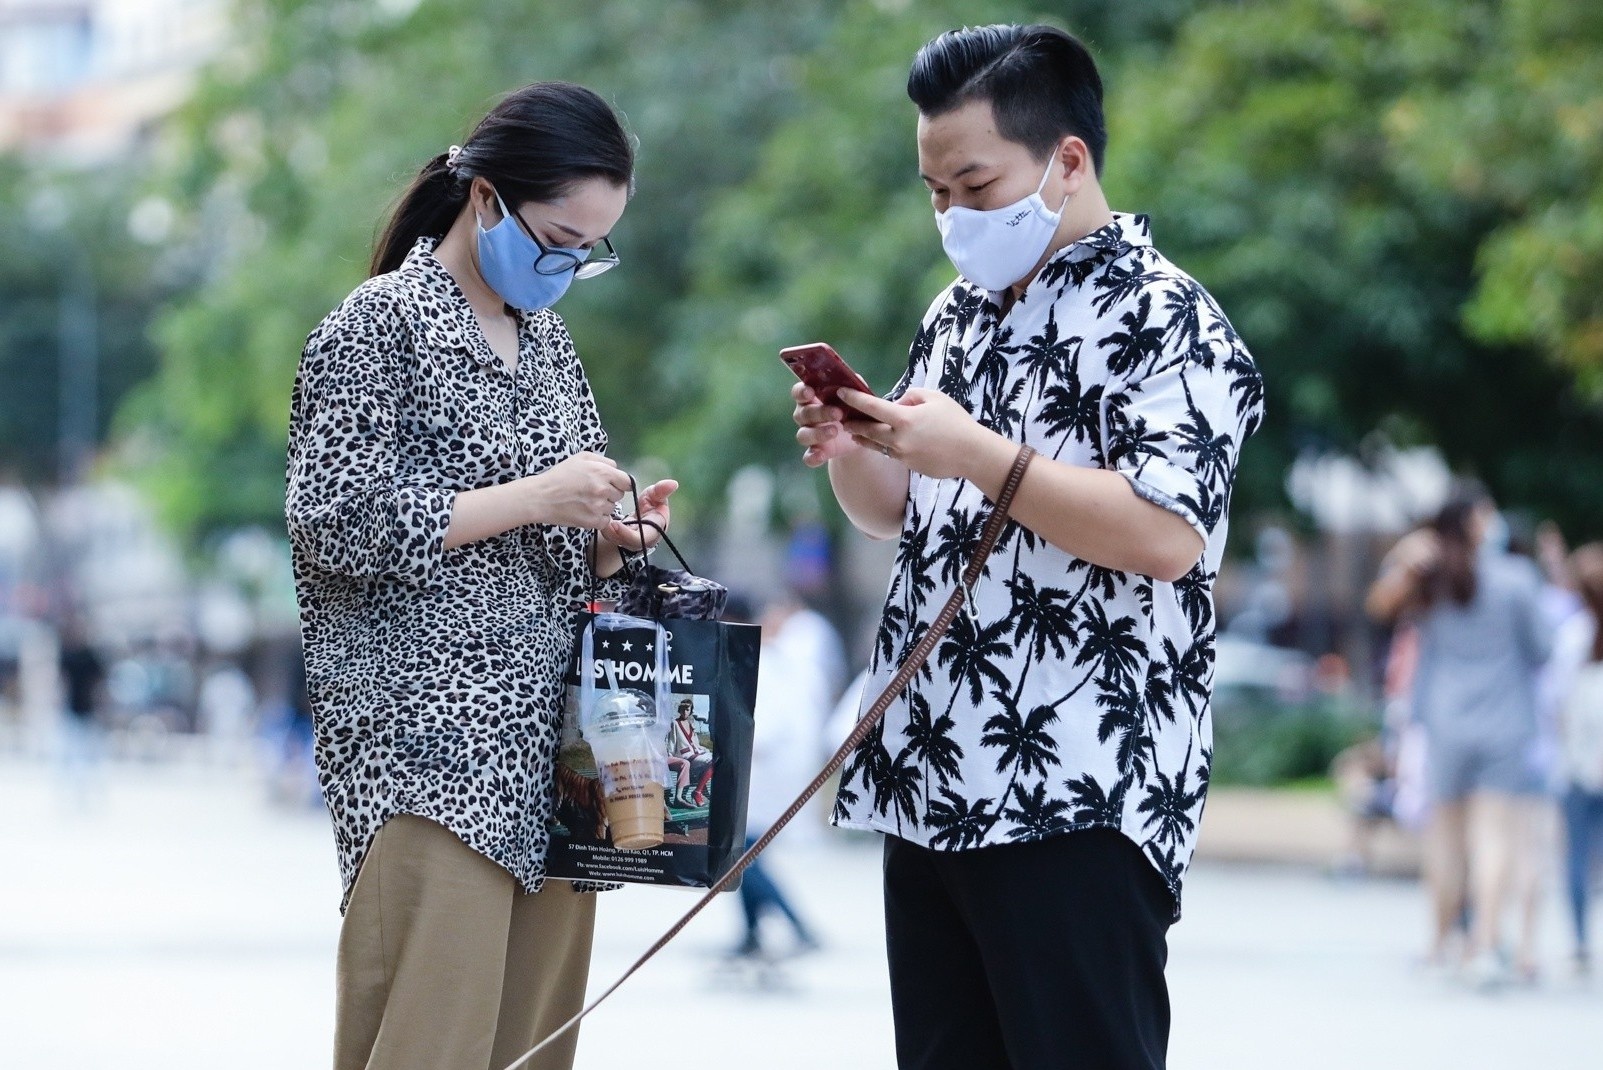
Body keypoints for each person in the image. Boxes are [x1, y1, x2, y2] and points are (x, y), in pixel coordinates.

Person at [790, 25, 1262, 1069]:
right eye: (933, 191)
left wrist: (975, 451)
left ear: (1067, 160)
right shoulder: (954, 315)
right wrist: (850, 446)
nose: (950, 213)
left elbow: (1163, 533)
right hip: (933, 768)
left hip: (1077, 782)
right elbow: (901, 515)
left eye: (971, 181)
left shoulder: (1170, 317)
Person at [286, 82, 677, 1070]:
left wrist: (609, 537)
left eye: (590, 248)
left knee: (532, 1049)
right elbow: (335, 522)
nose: (569, 264)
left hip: (557, 764)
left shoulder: (549, 342)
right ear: (486, 199)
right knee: (428, 1045)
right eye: (558, 237)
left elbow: (549, 543)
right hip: (428, 758)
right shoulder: (379, 325)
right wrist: (538, 494)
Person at [1366, 487, 1553, 987]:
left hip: (1443, 722)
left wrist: (1402, 558)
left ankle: (1438, 943)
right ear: (1475, 522)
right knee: (1493, 835)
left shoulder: (1431, 579)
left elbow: (1379, 608)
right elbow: (1543, 649)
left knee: (1444, 838)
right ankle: (1485, 944)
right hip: (1506, 720)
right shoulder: (1516, 578)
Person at [728, 591, 841, 959]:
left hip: (769, 774)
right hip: (773, 773)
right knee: (741, 854)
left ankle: (795, 925)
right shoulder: (779, 658)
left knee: (741, 855)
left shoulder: (774, 660)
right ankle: (752, 931)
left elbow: (768, 727)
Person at [1551, 543, 1603, 977]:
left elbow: (1557, 705)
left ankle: (1581, 942)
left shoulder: (1572, 637)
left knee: (1577, 856)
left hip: (1577, 765)